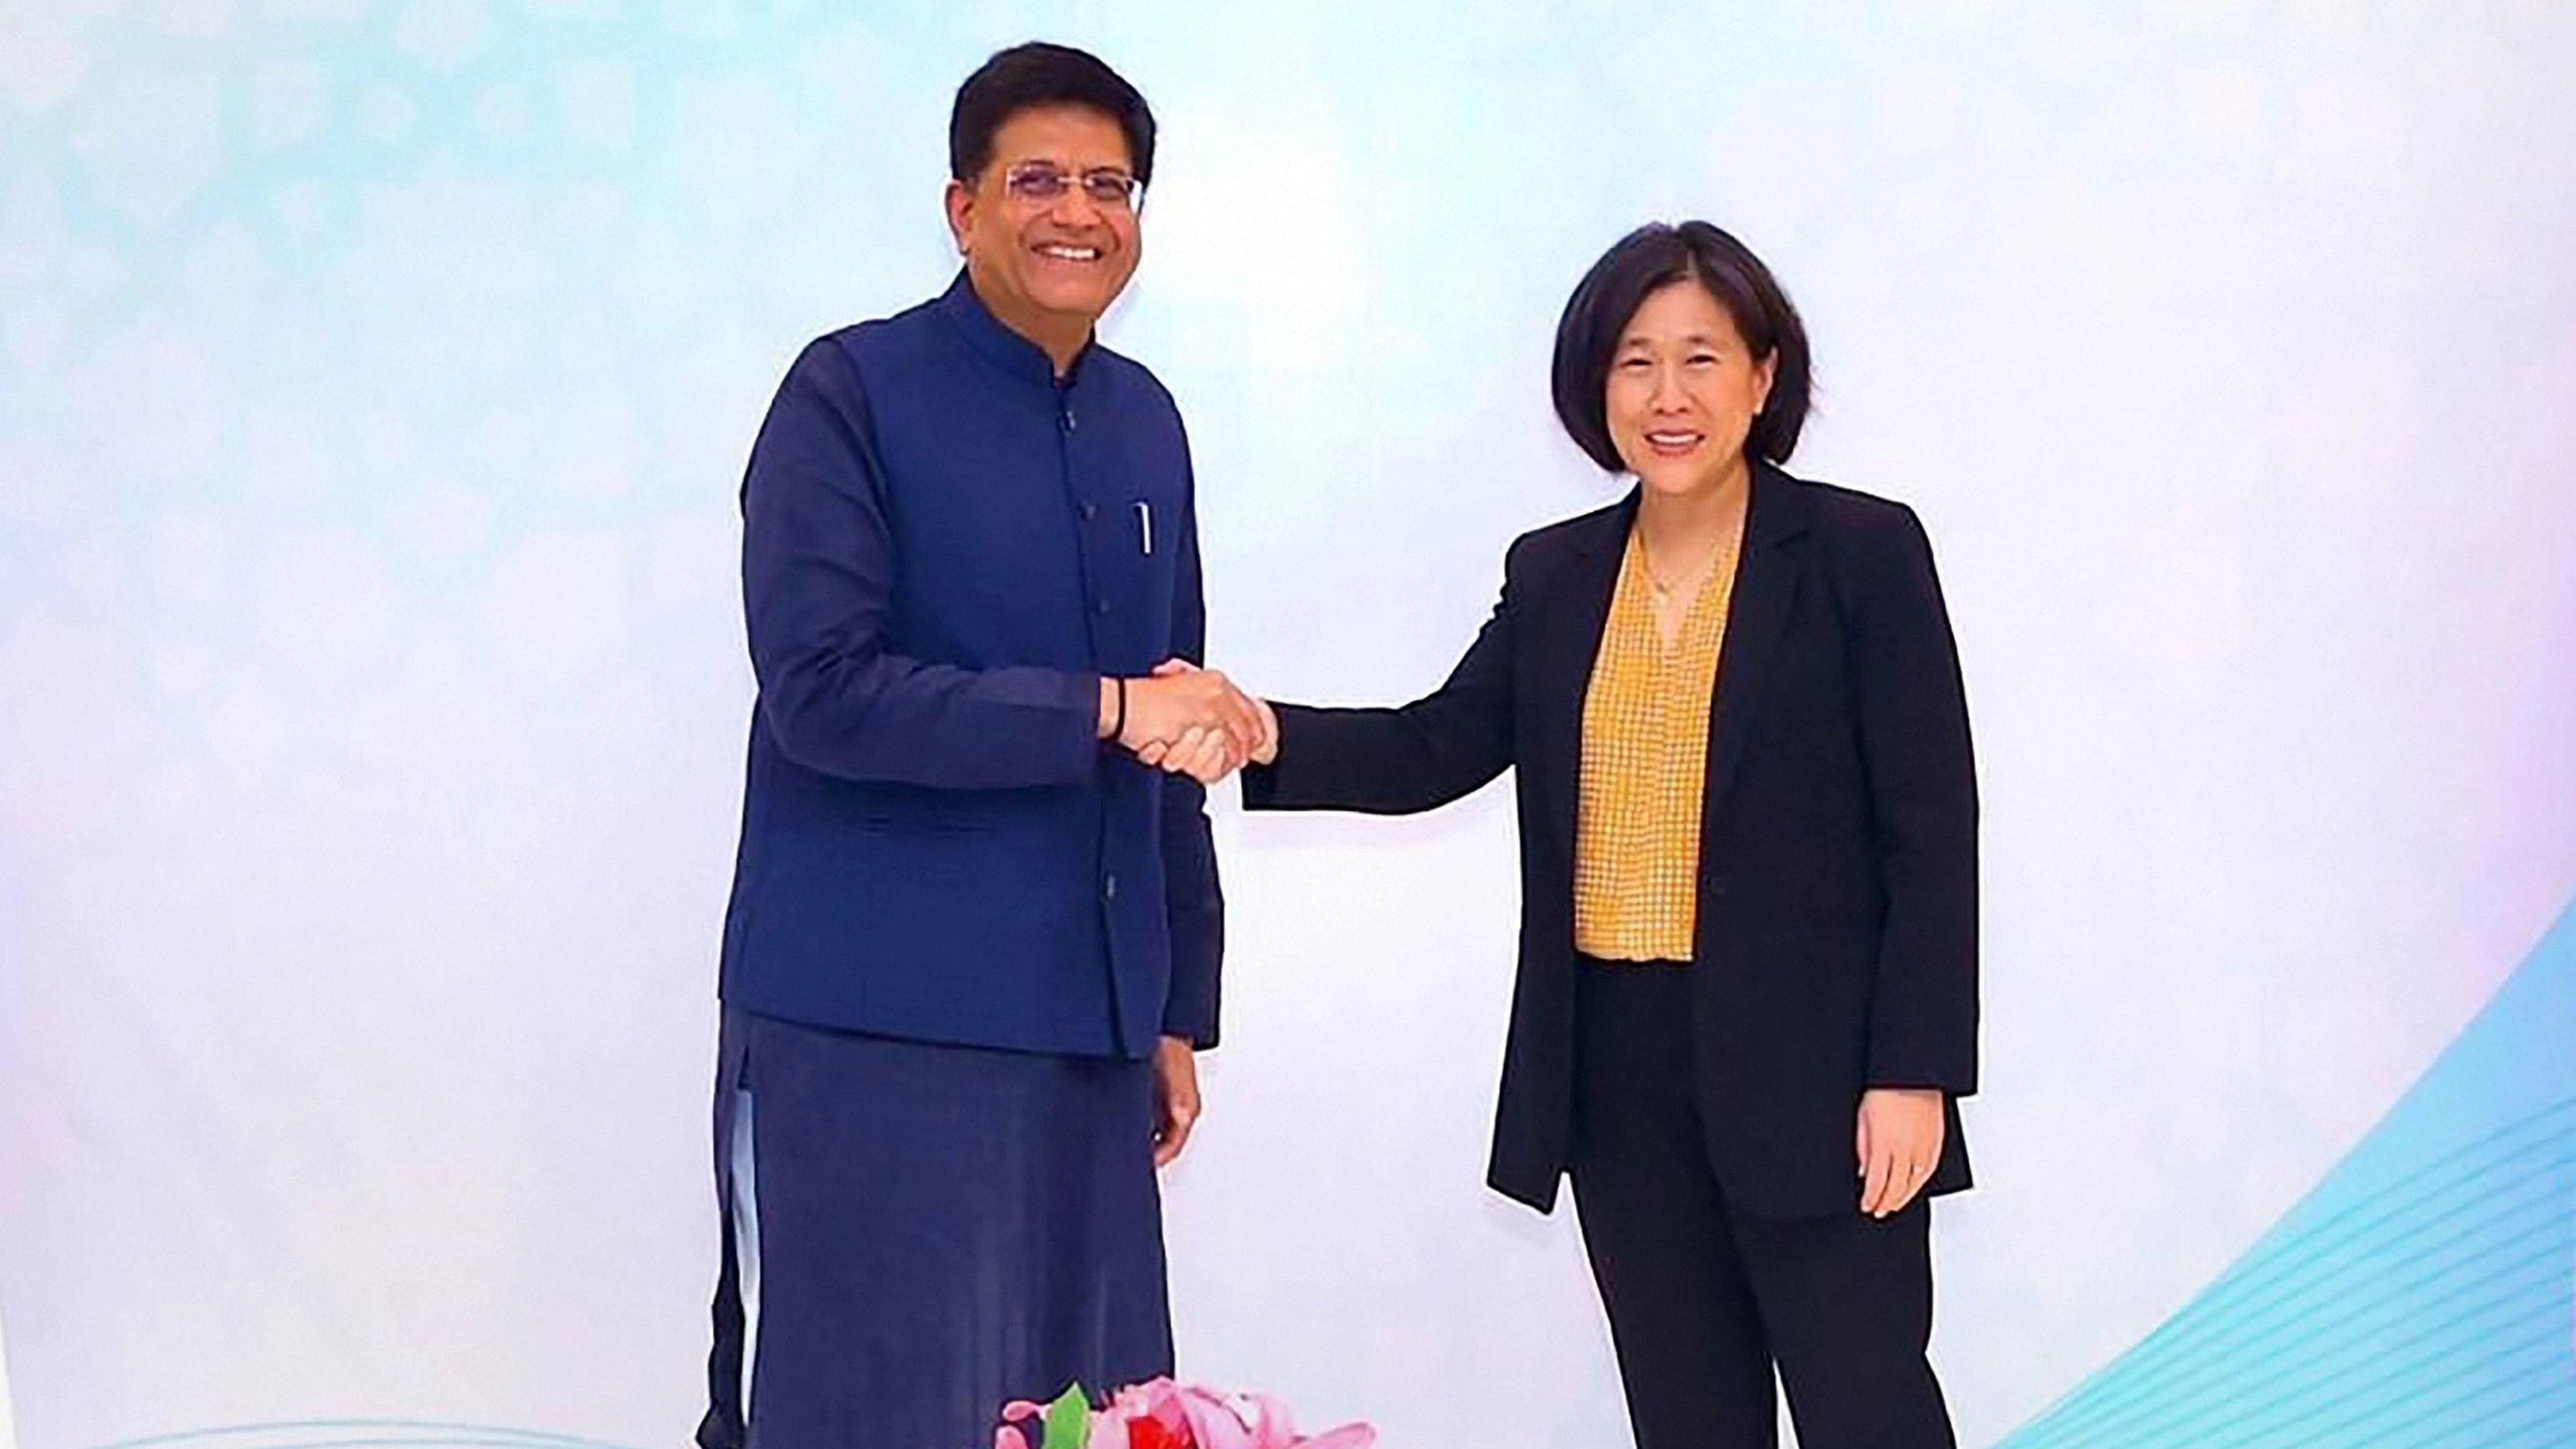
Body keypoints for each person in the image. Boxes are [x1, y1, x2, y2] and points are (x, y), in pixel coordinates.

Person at [1207, 221, 1978, 1448]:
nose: (1668, 397)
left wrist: (1913, 1071)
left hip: (1822, 1074)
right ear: (1594, 386)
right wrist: (1256, 731)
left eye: (1702, 359)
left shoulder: (1859, 554)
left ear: (1765, 377)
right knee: (1688, 1420)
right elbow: (1435, 745)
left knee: (1868, 1412)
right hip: (1617, 1071)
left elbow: (1931, 834)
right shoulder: (1560, 571)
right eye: (1634, 362)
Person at [697, 41, 1268, 1449]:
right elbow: (822, 692)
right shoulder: (851, 392)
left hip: (1088, 1027)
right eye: (1038, 180)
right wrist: (1104, 706)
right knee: (872, 1412)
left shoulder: (1147, 425)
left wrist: (1175, 1002)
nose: (1078, 212)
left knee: (1094, 1419)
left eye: (1111, 184)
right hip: (875, 1022)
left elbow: (1175, 723)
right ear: (963, 207)